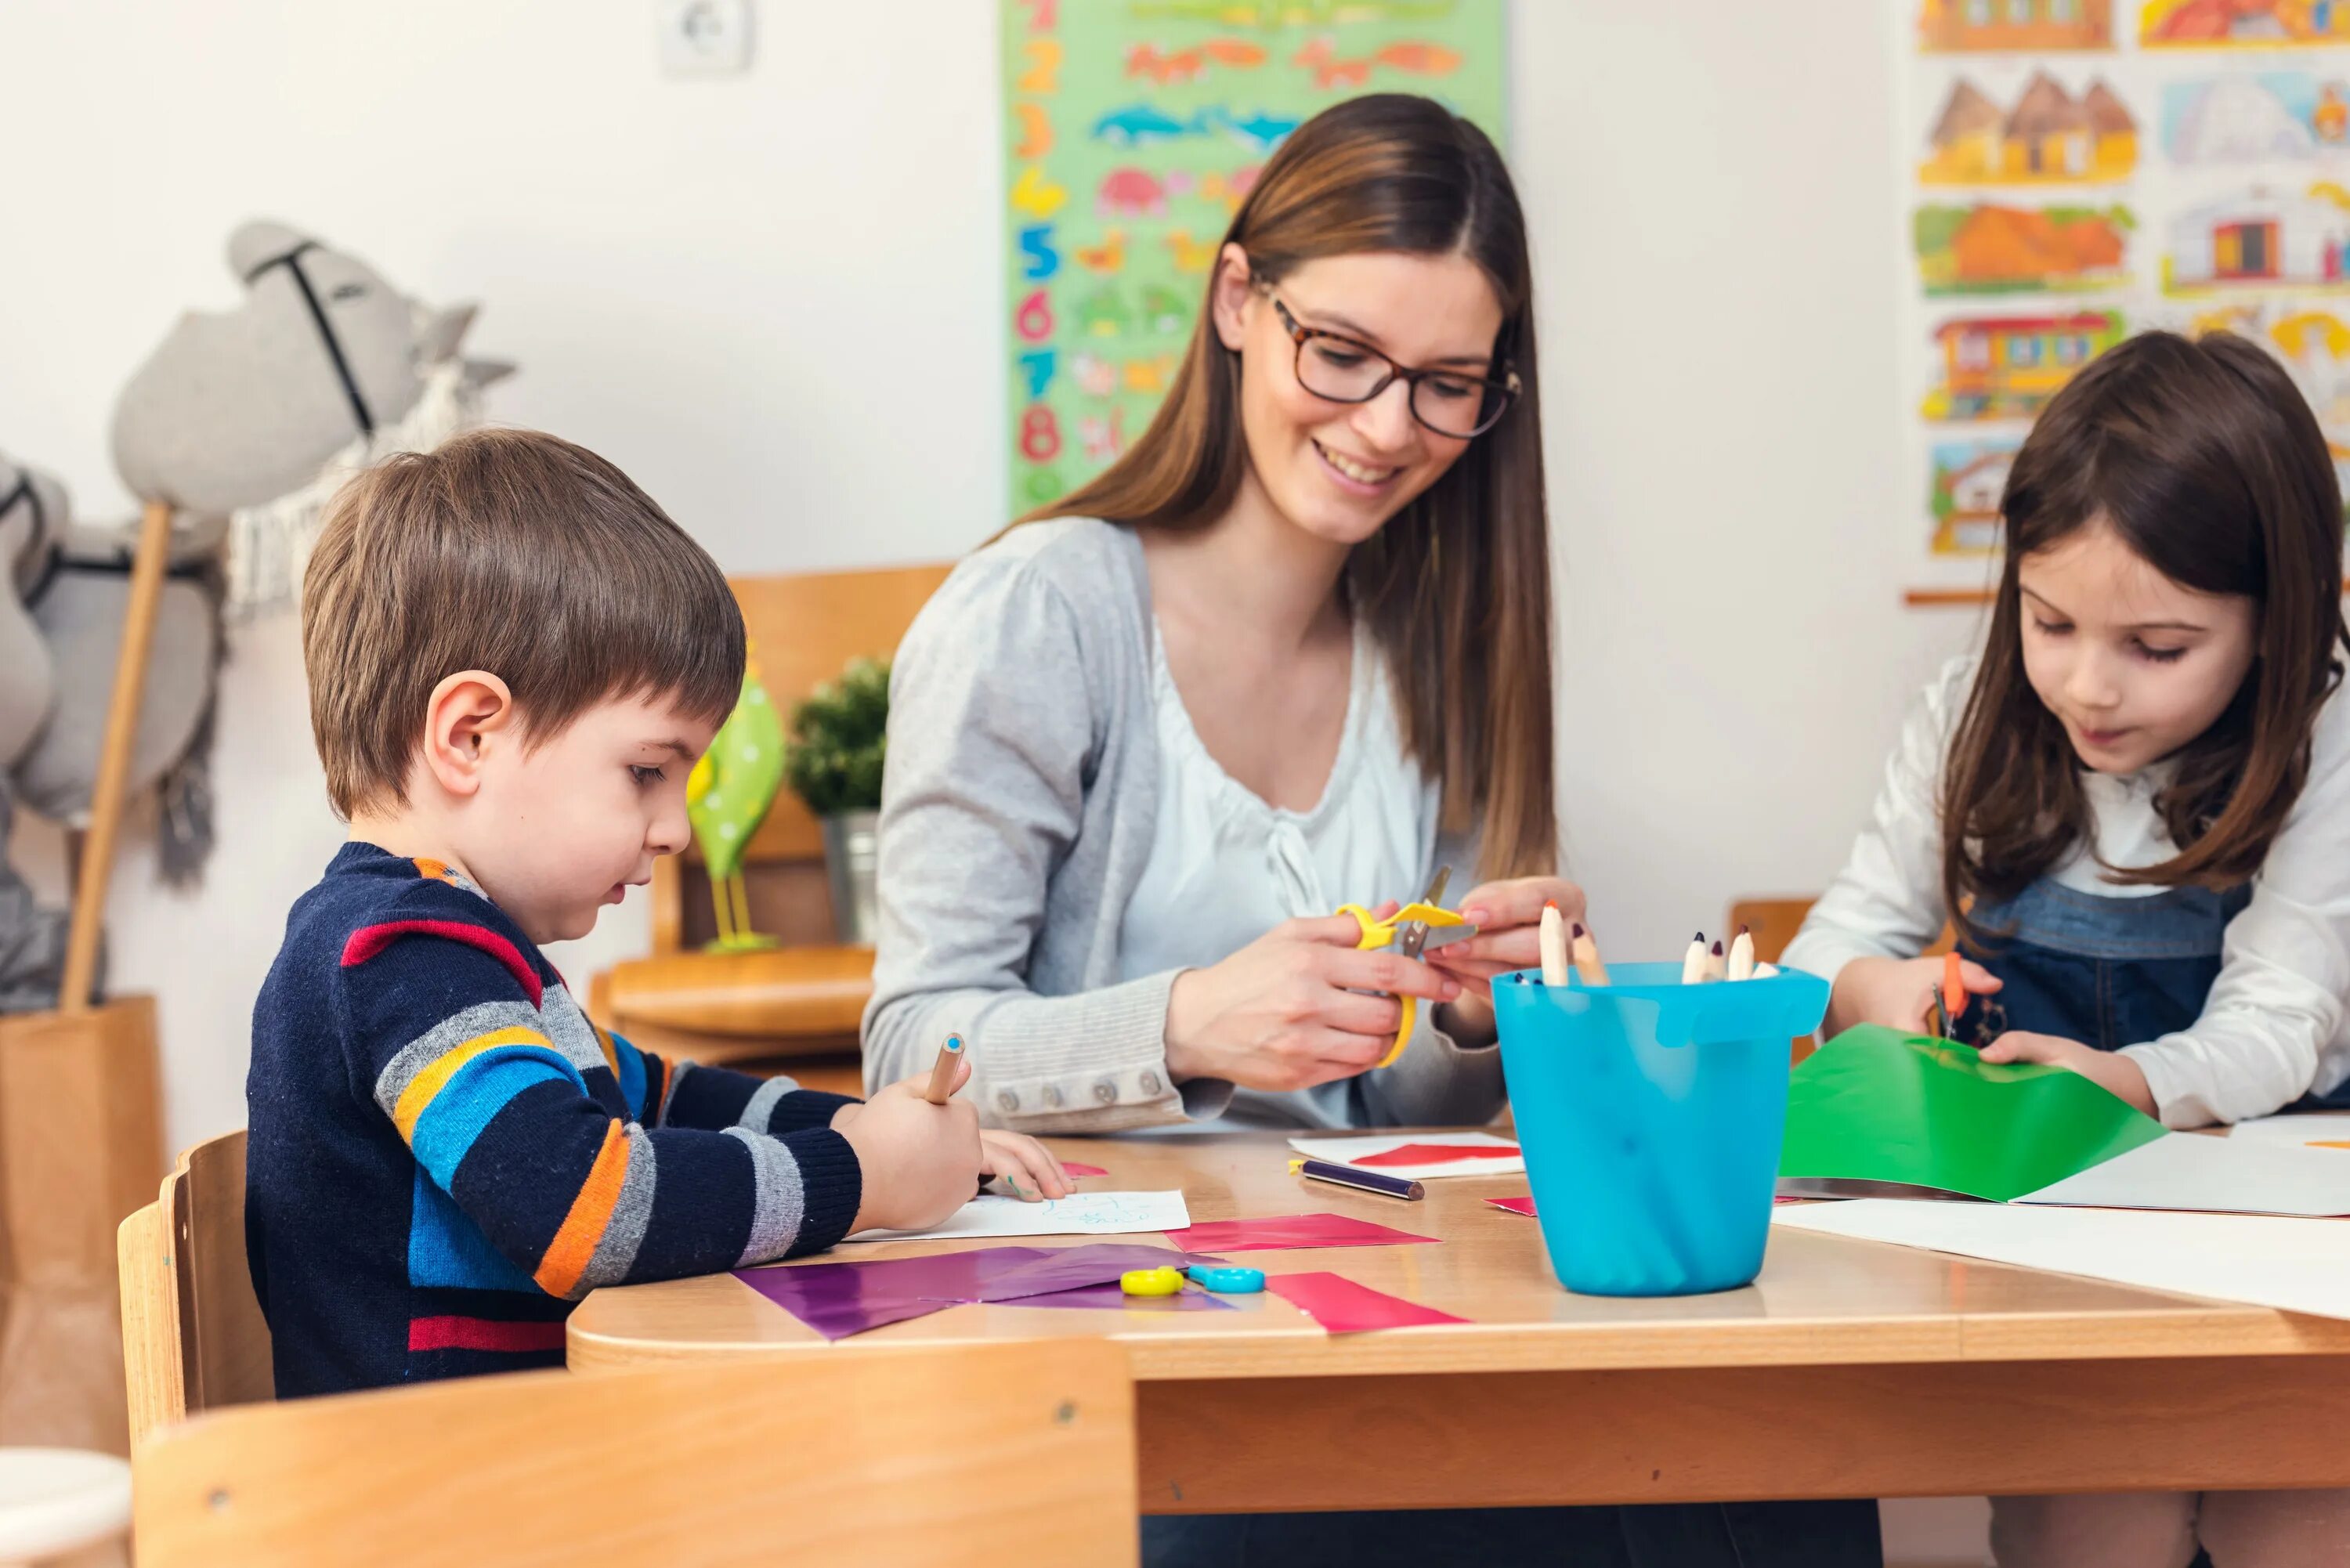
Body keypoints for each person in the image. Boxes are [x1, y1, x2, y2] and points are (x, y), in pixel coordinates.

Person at [870, 94, 1880, 1568]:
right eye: (1341, 355)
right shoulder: (1044, 614)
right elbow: (913, 1046)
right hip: (1132, 1311)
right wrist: (1194, 1025)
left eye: (1448, 383)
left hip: (1374, 1282)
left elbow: (1401, 1122)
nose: (1388, 427)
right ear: (1235, 303)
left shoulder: (1444, 643)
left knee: (1780, 1478)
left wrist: (1482, 1021)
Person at [245, 428, 1063, 1397]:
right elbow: (581, 1210)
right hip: (444, 1503)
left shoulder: (461, 955)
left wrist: (879, 1127)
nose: (676, 829)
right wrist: (864, 1176)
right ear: (470, 735)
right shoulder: (398, 954)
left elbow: (659, 1094)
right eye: (645, 771)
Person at [1784, 331, 2350, 1566]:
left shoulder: (2330, 737)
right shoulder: (1969, 714)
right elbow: (1831, 949)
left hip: (2288, 1246)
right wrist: (1872, 992)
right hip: (2053, 1235)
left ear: (2276, 618)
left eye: (2158, 648)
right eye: (2051, 623)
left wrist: (2133, 1082)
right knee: (2090, 1517)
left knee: (2294, 1514)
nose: (2089, 687)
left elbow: (2284, 1017)